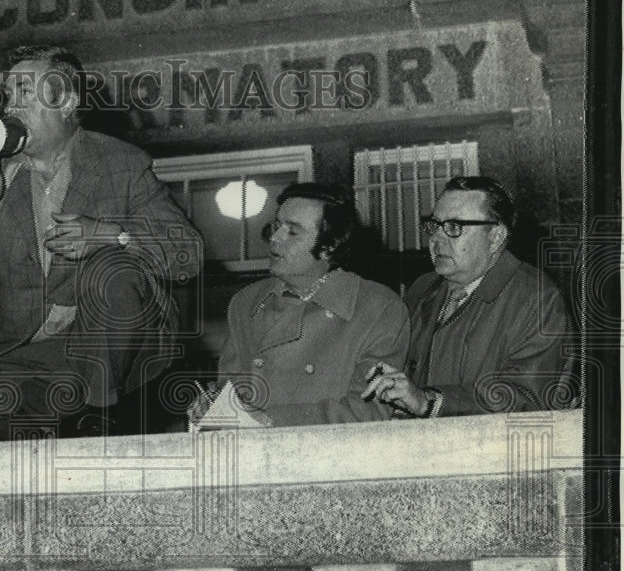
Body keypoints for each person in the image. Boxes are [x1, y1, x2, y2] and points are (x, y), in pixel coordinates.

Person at [0, 44, 202, 441]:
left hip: (112, 346)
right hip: (26, 353)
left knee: (108, 264)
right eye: (9, 94)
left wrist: (109, 234)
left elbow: (188, 254)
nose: (12, 105)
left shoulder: (121, 164)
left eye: (26, 91)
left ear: (67, 101)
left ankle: (98, 413)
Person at [362, 176, 572, 417]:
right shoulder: (423, 289)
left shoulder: (537, 299)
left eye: (453, 227)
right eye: (434, 225)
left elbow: (527, 397)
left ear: (495, 237)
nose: (436, 239)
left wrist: (431, 402)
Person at [215, 182, 410, 426]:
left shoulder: (379, 308)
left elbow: (367, 411)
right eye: (276, 226)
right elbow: (229, 393)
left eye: (292, 232)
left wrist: (269, 420)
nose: (274, 238)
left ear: (329, 247)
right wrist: (213, 407)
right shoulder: (245, 303)